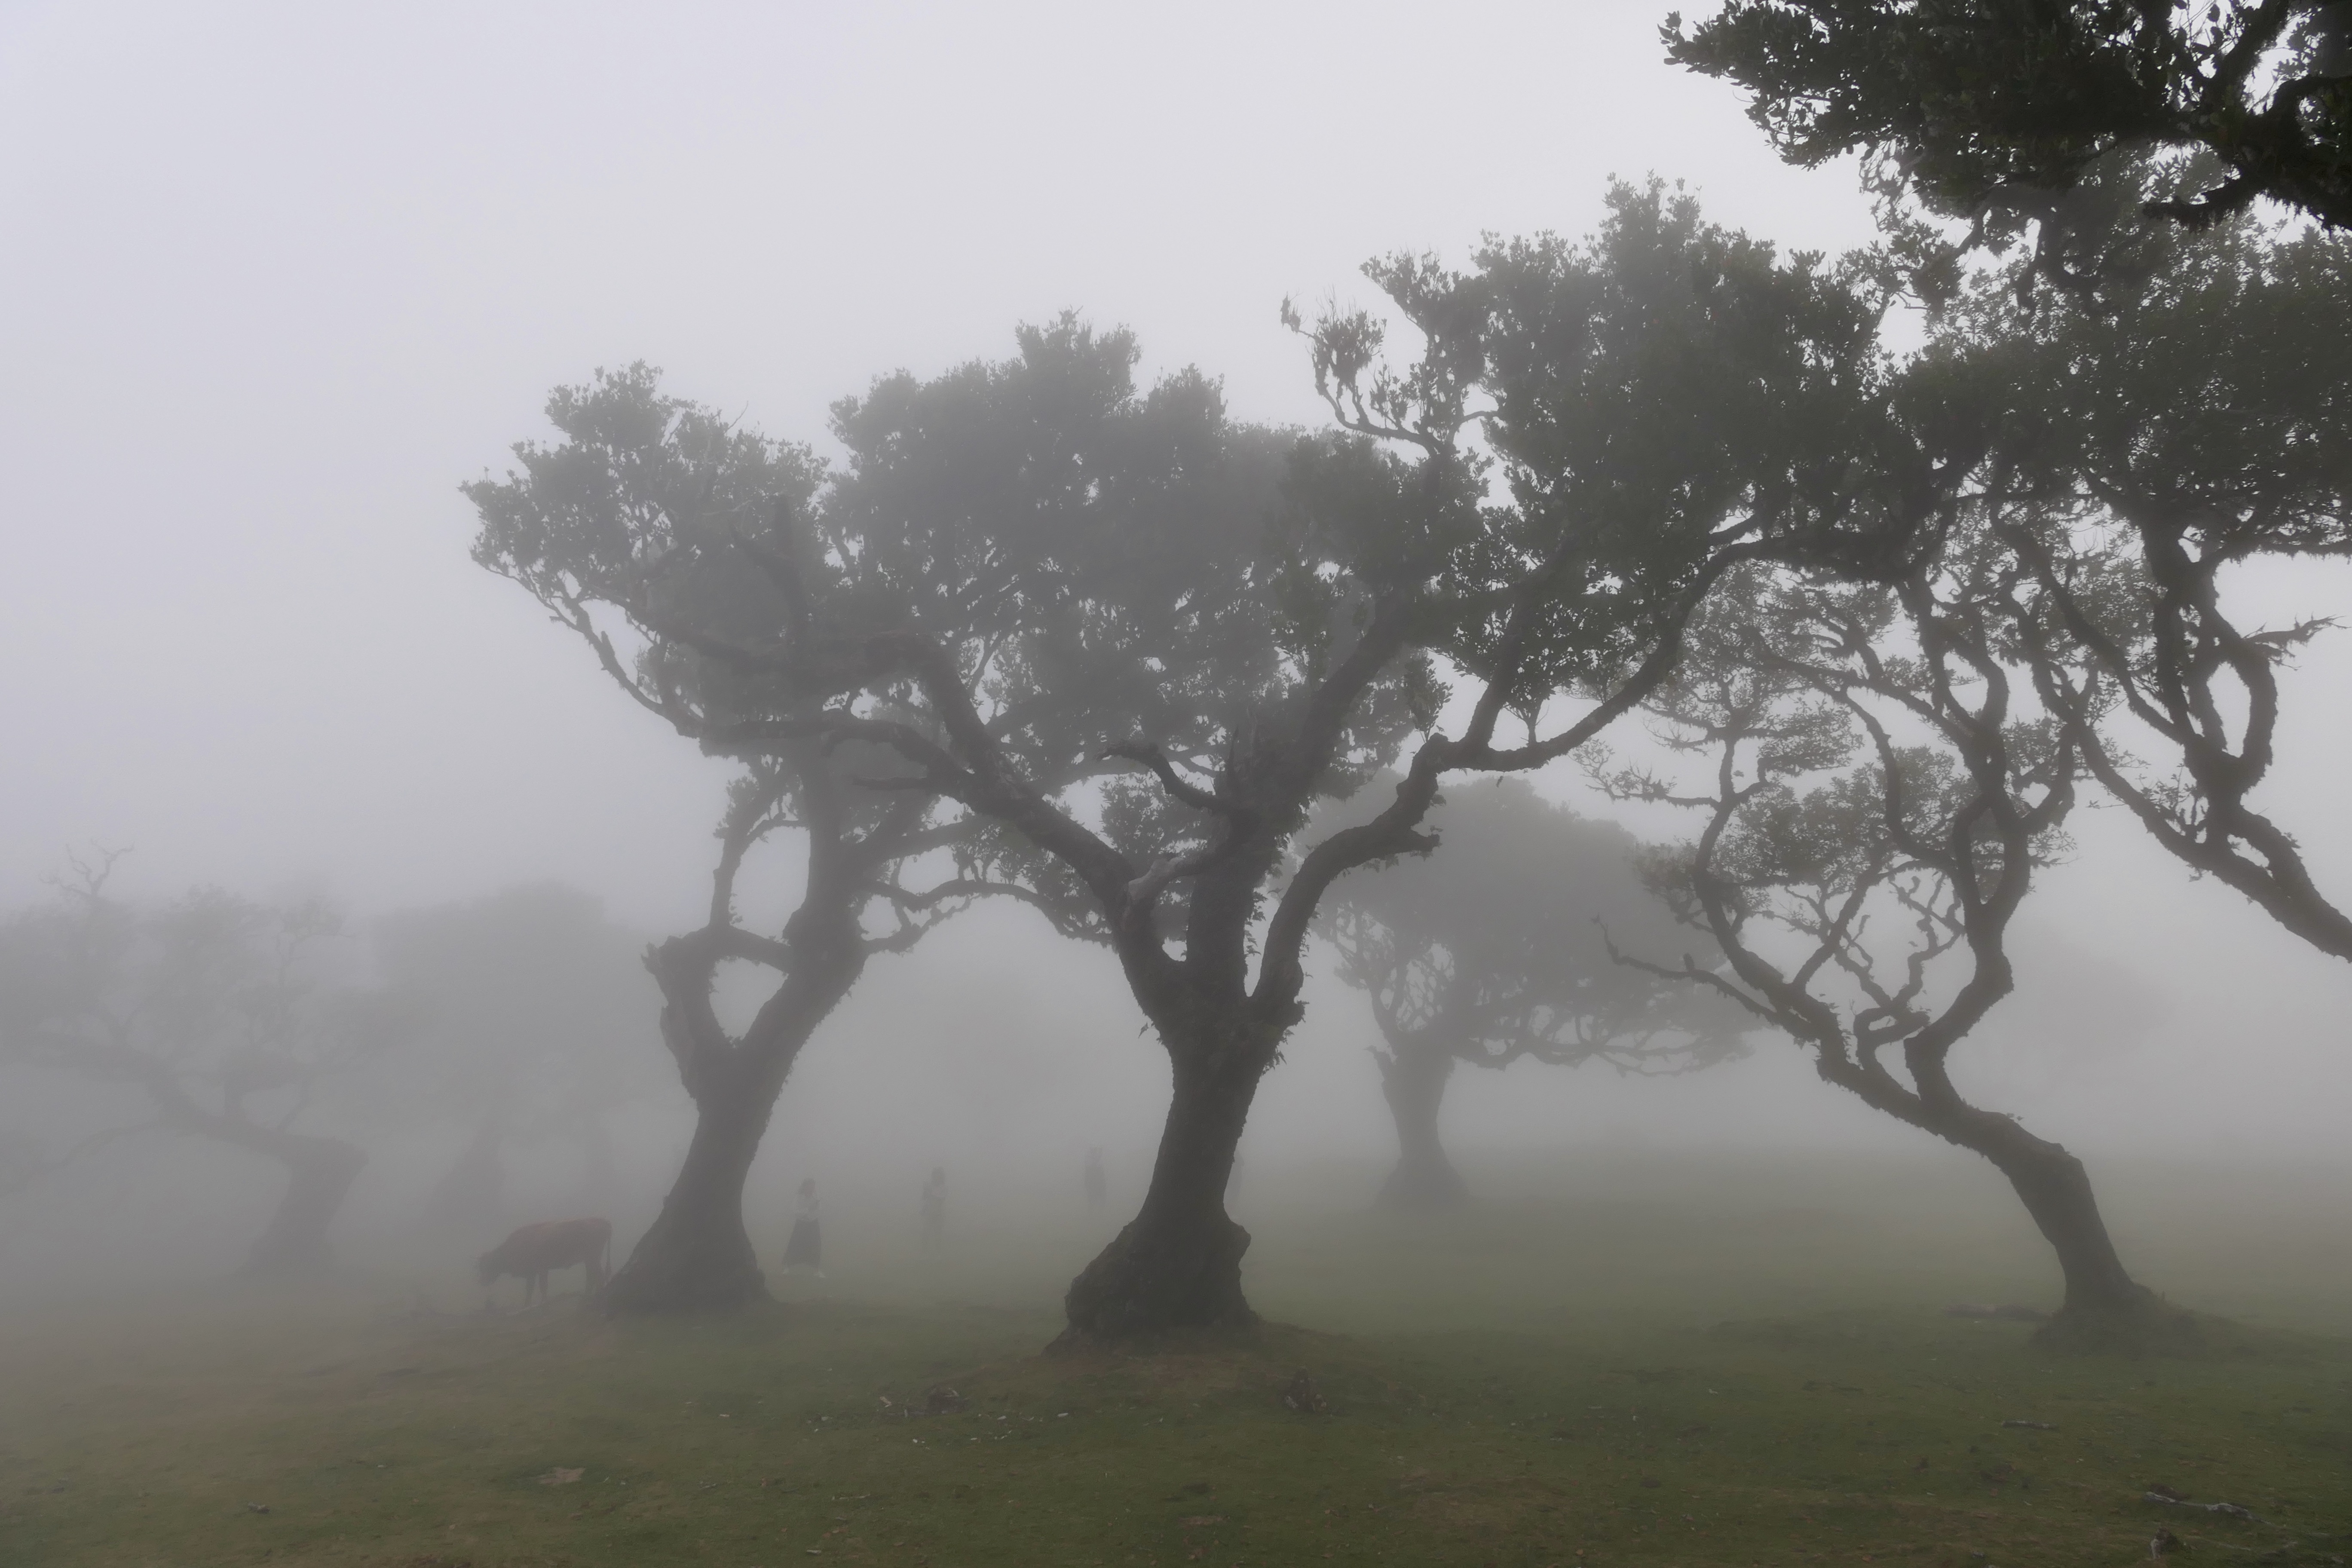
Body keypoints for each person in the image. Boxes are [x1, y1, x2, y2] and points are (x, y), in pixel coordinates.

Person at [781, 1177, 822, 1277]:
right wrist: (807, 1211)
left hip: (813, 1224)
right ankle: (787, 1268)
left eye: (813, 1186)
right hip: (801, 1224)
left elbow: (819, 1209)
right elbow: (795, 1211)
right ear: (805, 1187)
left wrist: (812, 1215)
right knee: (795, 1244)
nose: (812, 1188)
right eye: (810, 1186)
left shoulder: (816, 1196)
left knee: (816, 1245)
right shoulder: (799, 1197)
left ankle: (817, 1271)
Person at [919, 1166, 946, 1251]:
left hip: (938, 1215)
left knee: (938, 1235)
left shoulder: (944, 1187)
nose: (937, 1178)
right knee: (925, 1234)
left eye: (939, 1176)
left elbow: (941, 1199)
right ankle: (924, 1253)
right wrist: (925, 1190)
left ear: (941, 1177)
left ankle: (938, 1254)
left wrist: (929, 1193)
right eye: (935, 1176)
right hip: (928, 1214)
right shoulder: (929, 1185)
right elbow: (925, 1198)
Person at [1083, 1146, 1106, 1210]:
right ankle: (1092, 1216)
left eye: (1095, 1150)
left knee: (1101, 1199)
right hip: (1092, 1184)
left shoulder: (1098, 1165)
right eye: (1094, 1150)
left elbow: (1102, 1175)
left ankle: (1099, 1214)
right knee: (1092, 1200)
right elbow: (1090, 1169)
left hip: (1098, 1183)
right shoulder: (1088, 1160)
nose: (1095, 1151)